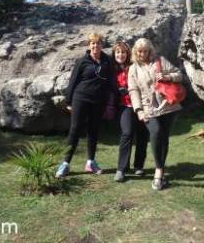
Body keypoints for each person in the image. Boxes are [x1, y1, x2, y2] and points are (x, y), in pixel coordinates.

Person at [56, 32, 116, 178]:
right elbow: (73, 82)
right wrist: (69, 102)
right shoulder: (82, 61)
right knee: (75, 130)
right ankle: (65, 163)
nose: (95, 46)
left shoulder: (107, 60)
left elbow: (111, 81)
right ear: (89, 45)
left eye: (98, 43)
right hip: (81, 99)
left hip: (99, 101)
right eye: (93, 43)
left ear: (102, 45)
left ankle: (91, 162)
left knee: (93, 131)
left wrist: (116, 96)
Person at [128, 38, 183, 190]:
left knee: (164, 139)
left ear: (150, 50)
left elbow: (179, 74)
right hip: (148, 108)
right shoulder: (133, 69)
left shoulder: (160, 60)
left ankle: (161, 170)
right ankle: (158, 170)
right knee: (155, 133)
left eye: (145, 51)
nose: (142, 54)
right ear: (135, 52)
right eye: (139, 51)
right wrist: (138, 110)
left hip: (168, 106)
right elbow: (133, 91)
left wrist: (168, 77)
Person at [111, 41, 149, 183]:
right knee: (127, 133)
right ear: (114, 54)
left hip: (141, 104)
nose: (120, 55)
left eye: (123, 52)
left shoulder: (134, 67)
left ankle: (139, 166)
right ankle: (121, 169)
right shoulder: (111, 69)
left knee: (143, 134)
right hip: (124, 106)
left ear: (127, 54)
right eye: (118, 52)